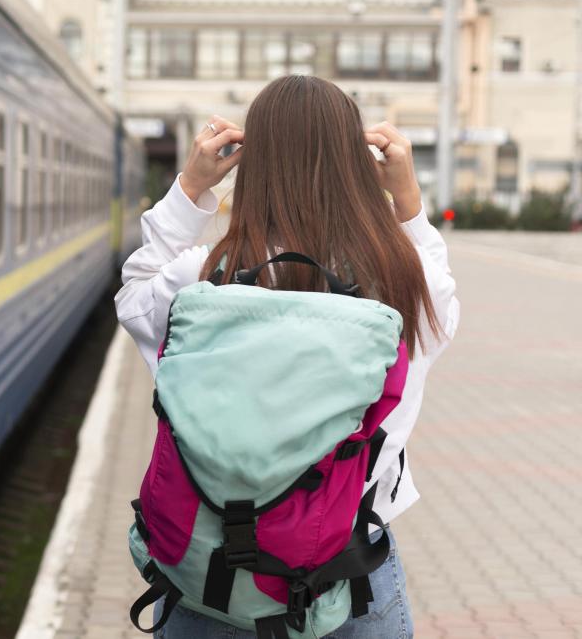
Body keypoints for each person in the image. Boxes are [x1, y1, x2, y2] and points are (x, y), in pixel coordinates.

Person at [114, 75, 460, 638]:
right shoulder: (403, 280)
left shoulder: (204, 274)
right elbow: (440, 302)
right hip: (347, 579)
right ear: (356, 166)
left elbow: (133, 299)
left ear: (253, 164)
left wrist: (189, 189)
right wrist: (409, 205)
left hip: (209, 576)